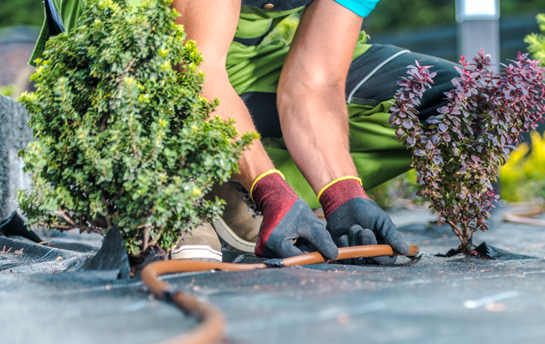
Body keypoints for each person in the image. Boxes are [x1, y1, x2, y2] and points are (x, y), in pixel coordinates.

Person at [31, 0, 459, 263]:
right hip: (131, 32)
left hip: (236, 50)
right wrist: (269, 189)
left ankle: (231, 185)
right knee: (144, 43)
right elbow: (196, 63)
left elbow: (314, 82)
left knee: (456, 96)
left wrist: (343, 195)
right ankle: (176, 187)